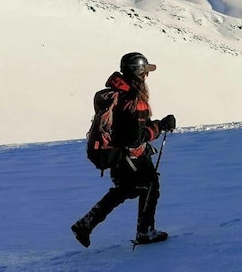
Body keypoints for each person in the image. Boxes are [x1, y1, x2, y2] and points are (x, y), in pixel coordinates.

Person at [71, 52, 176, 247]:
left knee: (126, 188)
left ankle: (85, 225)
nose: (147, 76)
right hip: (129, 155)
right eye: (145, 71)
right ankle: (145, 232)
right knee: (149, 184)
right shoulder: (135, 101)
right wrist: (160, 126)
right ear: (138, 73)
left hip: (115, 153)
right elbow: (135, 138)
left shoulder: (116, 93)